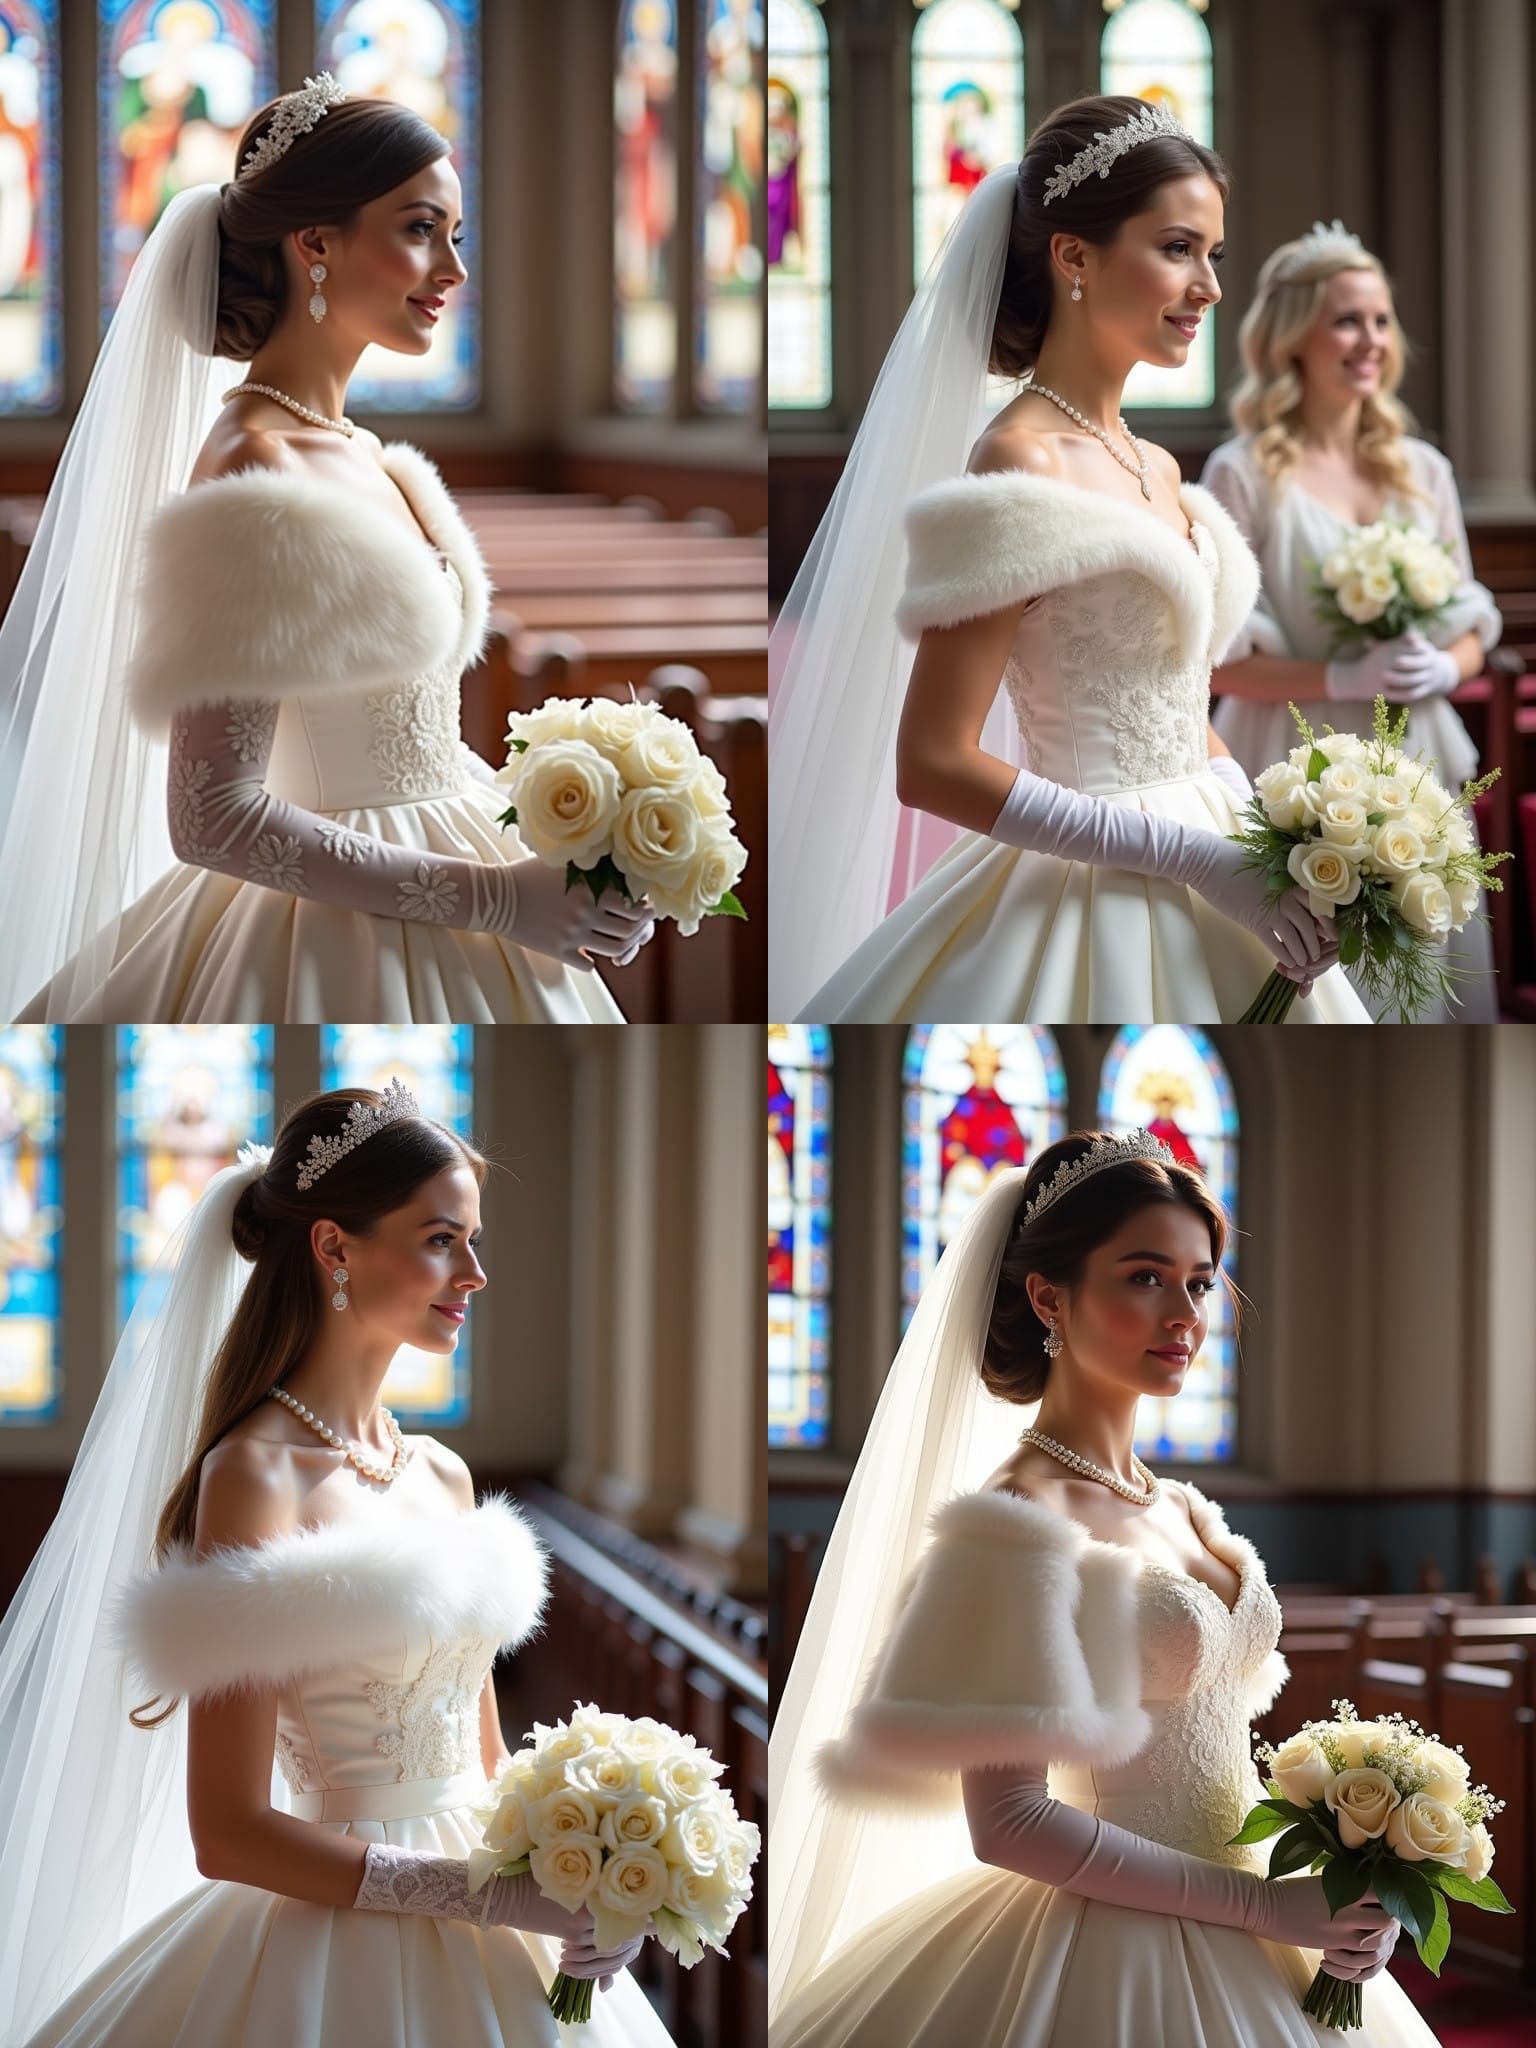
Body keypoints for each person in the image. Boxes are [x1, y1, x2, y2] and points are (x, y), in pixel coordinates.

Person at [0, 1081, 670, 2047]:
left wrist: (580, 1875)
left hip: (498, 1933)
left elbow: (486, 1765)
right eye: (443, 1238)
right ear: (333, 1246)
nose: (475, 1272)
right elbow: (225, 1831)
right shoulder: (253, 1478)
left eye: (472, 1239)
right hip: (340, 1944)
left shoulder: (440, 1473)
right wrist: (483, 1899)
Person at [0, 76, 654, 1025]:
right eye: (420, 229)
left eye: (455, 235)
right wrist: (500, 899)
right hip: (328, 931)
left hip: (453, 853)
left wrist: (571, 837)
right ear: (314, 242)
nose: (453, 270)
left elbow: (409, 741)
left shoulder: (365, 456)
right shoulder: (253, 467)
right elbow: (211, 815)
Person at [770, 1130, 1439, 2047]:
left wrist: (1345, 1880)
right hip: (1114, 1943)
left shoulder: (1186, 1509)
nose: (1185, 1314)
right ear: (1049, 1295)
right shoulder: (1015, 1520)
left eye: (1199, 1282)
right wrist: (1260, 1908)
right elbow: (1006, 1822)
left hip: (1269, 1922)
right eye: (1143, 1276)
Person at [769, 96, 1366, 1025]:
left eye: (1214, 254)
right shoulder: (1019, 459)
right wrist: (1189, 856)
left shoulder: (1159, 465)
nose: (1208, 286)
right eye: (1177, 248)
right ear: (1075, 256)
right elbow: (932, 762)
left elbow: (1175, 703)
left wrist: (1262, 834)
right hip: (1098, 879)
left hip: (1219, 853)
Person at [1203, 221, 1505, 1022]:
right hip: (1293, 756)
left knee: (1420, 964)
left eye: (1379, 320)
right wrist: (1342, 677)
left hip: (1418, 753)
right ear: (1294, 335)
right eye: (1346, 319)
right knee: (1308, 975)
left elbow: (1475, 621)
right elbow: (1215, 660)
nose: (1370, 339)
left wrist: (1449, 668)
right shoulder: (1242, 474)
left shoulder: (1421, 469)